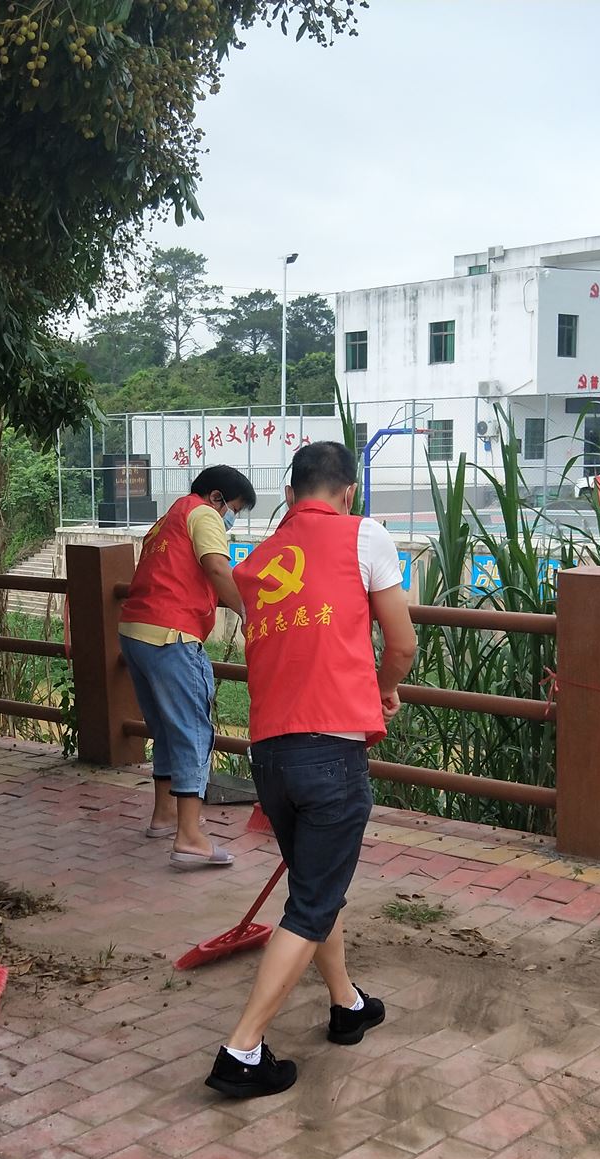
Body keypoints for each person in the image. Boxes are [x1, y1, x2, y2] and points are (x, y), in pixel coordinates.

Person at [205, 442, 417, 1098]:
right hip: (331, 752)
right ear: (347, 492)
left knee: (314, 887)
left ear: (292, 493)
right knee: (311, 901)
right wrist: (386, 687)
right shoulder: (366, 535)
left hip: (270, 753)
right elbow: (403, 643)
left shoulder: (260, 559)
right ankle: (241, 1051)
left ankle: (347, 1004)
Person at [118, 465, 257, 868]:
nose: (232, 519)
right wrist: (247, 612)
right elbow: (217, 568)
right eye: (234, 508)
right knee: (194, 730)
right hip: (171, 636)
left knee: (164, 727)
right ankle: (191, 837)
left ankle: (163, 816)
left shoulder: (169, 518)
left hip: (135, 632)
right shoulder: (204, 515)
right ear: (217, 498)